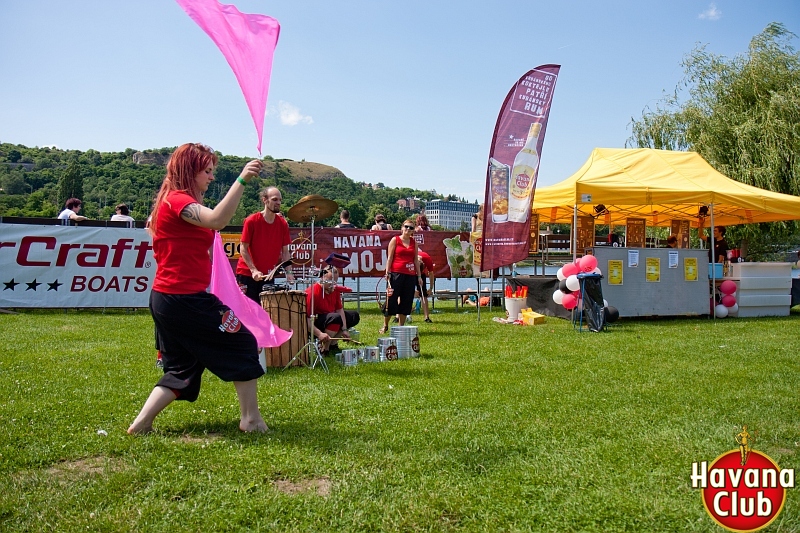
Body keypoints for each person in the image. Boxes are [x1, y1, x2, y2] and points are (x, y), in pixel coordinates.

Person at [128, 143, 267, 435]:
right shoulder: (177, 201)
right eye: (206, 171)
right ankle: (251, 420)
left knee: (183, 368)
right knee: (242, 342)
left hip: (170, 298)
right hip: (182, 298)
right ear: (189, 171)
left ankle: (141, 424)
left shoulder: (171, 201)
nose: (211, 177)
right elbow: (217, 219)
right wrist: (241, 180)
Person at [234, 186, 294, 302]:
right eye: (275, 199)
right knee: (246, 313)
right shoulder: (252, 220)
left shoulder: (282, 224)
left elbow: (285, 251)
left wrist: (289, 272)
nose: (279, 203)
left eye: (280, 200)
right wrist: (253, 270)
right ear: (264, 200)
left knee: (266, 313)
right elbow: (243, 248)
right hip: (247, 274)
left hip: (268, 275)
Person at [306, 266, 360, 354]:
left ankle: (332, 344)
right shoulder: (313, 292)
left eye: (334, 282)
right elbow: (306, 320)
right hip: (315, 322)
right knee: (335, 317)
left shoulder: (335, 290)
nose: (333, 285)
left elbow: (340, 310)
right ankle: (324, 348)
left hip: (331, 318)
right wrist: (319, 334)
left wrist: (345, 329)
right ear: (322, 278)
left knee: (353, 316)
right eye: (330, 282)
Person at [380, 219, 421, 333]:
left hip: (410, 275)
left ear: (413, 231)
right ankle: (385, 325)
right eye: (406, 227)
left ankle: (400, 327)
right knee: (391, 300)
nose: (408, 229)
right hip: (396, 274)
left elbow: (416, 260)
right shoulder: (395, 240)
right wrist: (387, 272)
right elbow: (390, 257)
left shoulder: (414, 243)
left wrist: (418, 276)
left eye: (411, 228)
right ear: (402, 227)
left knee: (406, 301)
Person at [416, 247, 434, 322]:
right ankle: (398, 316)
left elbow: (431, 273)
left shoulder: (427, 258)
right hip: (409, 273)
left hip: (422, 275)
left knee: (424, 294)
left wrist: (431, 288)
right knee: (404, 293)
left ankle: (426, 317)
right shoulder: (409, 258)